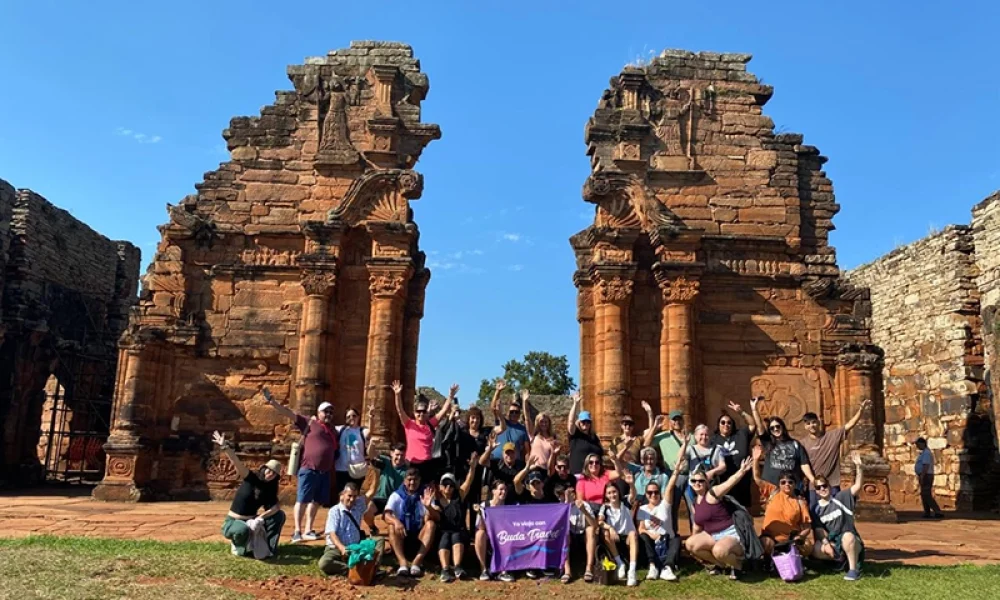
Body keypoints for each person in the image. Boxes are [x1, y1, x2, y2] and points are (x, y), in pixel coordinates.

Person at [263, 388, 337, 543]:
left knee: (316, 502)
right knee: (302, 500)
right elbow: (288, 412)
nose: (328, 414)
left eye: (331, 412)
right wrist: (273, 402)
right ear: (318, 413)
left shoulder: (333, 430)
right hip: (309, 469)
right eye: (326, 412)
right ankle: (297, 531)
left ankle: (308, 529)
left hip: (324, 472)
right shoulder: (309, 422)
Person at [214, 431, 286, 559]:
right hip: (234, 521)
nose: (270, 474)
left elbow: (275, 508)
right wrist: (225, 447)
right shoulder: (251, 478)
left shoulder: (269, 489)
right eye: (269, 470)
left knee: (279, 516)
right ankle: (239, 546)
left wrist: (259, 518)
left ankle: (269, 548)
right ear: (264, 469)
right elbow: (237, 463)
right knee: (242, 530)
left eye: (274, 473)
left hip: (251, 520)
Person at [684, 455, 755, 580]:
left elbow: (729, 483)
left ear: (706, 482)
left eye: (701, 481)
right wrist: (693, 542)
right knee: (690, 544)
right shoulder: (695, 501)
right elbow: (697, 525)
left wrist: (742, 470)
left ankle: (738, 565)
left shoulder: (713, 493)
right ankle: (720, 564)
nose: (697, 483)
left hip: (730, 533)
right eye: (694, 481)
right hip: (712, 535)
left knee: (719, 551)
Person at [802, 399, 871, 508]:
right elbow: (802, 464)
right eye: (808, 423)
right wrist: (812, 480)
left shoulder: (832, 437)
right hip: (814, 486)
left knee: (835, 513)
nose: (812, 425)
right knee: (814, 517)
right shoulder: (803, 443)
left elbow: (850, 425)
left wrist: (861, 410)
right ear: (805, 426)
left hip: (832, 484)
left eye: (814, 422)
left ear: (818, 422)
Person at [812, 454, 866, 581]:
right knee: (816, 548)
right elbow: (819, 530)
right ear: (816, 491)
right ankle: (841, 560)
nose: (822, 489)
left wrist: (860, 467)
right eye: (818, 487)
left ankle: (853, 570)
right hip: (835, 541)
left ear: (829, 486)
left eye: (824, 485)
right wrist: (826, 544)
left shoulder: (841, 497)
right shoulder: (816, 509)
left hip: (851, 540)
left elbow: (858, 486)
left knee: (847, 536)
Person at [753, 445, 814, 558]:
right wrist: (756, 460)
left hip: (790, 539)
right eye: (783, 482)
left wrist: (800, 537)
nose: (787, 484)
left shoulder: (800, 502)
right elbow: (757, 478)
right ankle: (770, 559)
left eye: (790, 482)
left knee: (808, 546)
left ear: (795, 484)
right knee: (766, 543)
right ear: (779, 484)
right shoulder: (773, 492)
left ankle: (789, 556)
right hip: (770, 537)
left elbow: (807, 527)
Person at [392, 380, 454, 485]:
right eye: (418, 411)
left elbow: (443, 411)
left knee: (426, 490)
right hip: (411, 463)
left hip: (427, 464)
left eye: (423, 411)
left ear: (426, 413)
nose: (421, 414)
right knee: (410, 489)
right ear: (414, 413)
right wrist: (397, 394)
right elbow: (400, 410)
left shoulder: (430, 424)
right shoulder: (409, 424)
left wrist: (450, 396)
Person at [319, 483, 384, 576]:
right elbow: (332, 534)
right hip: (337, 549)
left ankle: (372, 568)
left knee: (379, 540)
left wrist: (376, 472)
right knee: (324, 563)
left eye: (355, 496)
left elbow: (372, 491)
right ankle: (357, 570)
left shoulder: (359, 505)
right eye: (349, 496)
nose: (352, 499)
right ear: (342, 495)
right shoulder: (334, 511)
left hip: (356, 547)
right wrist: (342, 548)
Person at [384, 468, 438, 577]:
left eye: (415, 480)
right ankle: (402, 563)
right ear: (404, 481)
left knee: (431, 525)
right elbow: (386, 515)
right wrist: (396, 522)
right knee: (391, 526)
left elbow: (437, 517)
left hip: (420, 537)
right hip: (402, 536)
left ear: (420, 480)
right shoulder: (396, 495)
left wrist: (428, 507)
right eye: (409, 480)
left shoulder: (426, 494)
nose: (412, 483)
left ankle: (417, 562)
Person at [750, 397, 815, 487]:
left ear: (782, 427)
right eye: (772, 428)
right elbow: (759, 426)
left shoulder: (795, 444)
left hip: (790, 486)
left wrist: (812, 479)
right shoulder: (768, 442)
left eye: (777, 426)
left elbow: (804, 464)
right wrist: (754, 409)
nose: (775, 429)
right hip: (771, 486)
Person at [645, 409, 690, 533]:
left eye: (679, 419)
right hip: (673, 475)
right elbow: (646, 444)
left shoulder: (690, 436)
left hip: (690, 475)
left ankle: (695, 534)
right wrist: (655, 427)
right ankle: (673, 534)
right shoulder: (663, 436)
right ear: (670, 422)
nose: (676, 422)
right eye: (674, 419)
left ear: (683, 420)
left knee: (693, 508)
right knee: (672, 506)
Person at [433, 461, 478, 582]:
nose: (448, 487)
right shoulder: (436, 499)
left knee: (456, 535)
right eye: (445, 484)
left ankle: (458, 567)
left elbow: (468, 481)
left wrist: (472, 468)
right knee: (446, 536)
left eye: (451, 484)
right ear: (440, 486)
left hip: (459, 532)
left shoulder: (460, 496)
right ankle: (445, 569)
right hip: (443, 532)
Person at [711, 400, 757, 509]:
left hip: (742, 479)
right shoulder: (713, 440)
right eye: (723, 422)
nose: (726, 425)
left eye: (729, 422)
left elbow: (752, 424)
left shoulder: (741, 434)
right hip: (723, 480)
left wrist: (741, 412)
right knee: (725, 509)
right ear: (718, 425)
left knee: (743, 509)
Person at [637, 479, 681, 582]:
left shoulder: (665, 504)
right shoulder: (642, 509)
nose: (653, 495)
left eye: (656, 492)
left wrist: (677, 471)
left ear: (660, 493)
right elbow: (641, 529)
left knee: (676, 539)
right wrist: (653, 535)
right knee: (643, 536)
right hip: (651, 542)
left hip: (667, 540)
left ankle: (667, 568)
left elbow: (670, 487)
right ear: (646, 494)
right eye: (650, 492)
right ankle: (652, 567)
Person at [597, 481, 639, 587]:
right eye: (609, 493)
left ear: (618, 492)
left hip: (628, 536)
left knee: (633, 534)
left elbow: (633, 494)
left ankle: (632, 572)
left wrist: (631, 484)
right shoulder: (605, 507)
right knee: (605, 533)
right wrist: (610, 528)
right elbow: (600, 522)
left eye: (614, 492)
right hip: (615, 538)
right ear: (606, 495)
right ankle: (620, 563)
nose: (612, 495)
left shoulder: (625, 501)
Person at [556, 484, 597, 583]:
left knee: (590, 530)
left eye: (572, 493)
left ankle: (589, 568)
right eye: (567, 494)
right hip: (570, 535)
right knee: (564, 532)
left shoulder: (583, 504)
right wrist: (567, 504)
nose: (571, 496)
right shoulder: (561, 506)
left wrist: (584, 511)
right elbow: (558, 524)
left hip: (583, 534)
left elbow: (594, 525)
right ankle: (567, 571)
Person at [363, 442, 407, 534]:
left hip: (394, 501)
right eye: (397, 454)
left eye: (402, 455)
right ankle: (373, 528)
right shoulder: (386, 462)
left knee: (390, 519)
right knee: (367, 513)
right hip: (380, 497)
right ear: (391, 453)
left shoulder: (406, 470)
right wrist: (371, 444)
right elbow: (371, 454)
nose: (399, 457)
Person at [475, 479, 513, 582]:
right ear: (493, 491)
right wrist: (480, 513)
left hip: (503, 536)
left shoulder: (508, 507)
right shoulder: (484, 506)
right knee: (479, 534)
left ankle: (504, 571)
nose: (503, 492)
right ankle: (483, 570)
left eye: (505, 490)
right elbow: (480, 527)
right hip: (488, 535)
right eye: (501, 489)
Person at [333, 405, 373, 499]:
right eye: (348, 416)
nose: (351, 418)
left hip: (357, 468)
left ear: (358, 417)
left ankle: (353, 513)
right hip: (341, 468)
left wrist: (371, 417)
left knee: (354, 496)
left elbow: (371, 431)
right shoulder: (341, 429)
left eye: (354, 415)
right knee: (342, 495)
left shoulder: (362, 431)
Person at [463, 406, 491, 526]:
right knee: (463, 501)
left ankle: (474, 530)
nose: (475, 421)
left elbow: (500, 428)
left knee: (476, 501)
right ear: (468, 419)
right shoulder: (463, 432)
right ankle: (463, 530)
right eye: (473, 418)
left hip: (479, 471)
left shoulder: (484, 433)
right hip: (464, 471)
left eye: (478, 418)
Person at [490, 381, 530, 462]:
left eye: (516, 412)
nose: (514, 414)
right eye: (511, 412)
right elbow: (494, 408)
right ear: (508, 413)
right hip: (496, 461)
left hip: (514, 464)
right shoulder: (501, 422)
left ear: (519, 414)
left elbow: (527, 451)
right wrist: (498, 391)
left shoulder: (523, 430)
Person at [567, 392, 604, 474]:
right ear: (579, 422)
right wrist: (575, 404)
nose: (585, 424)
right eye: (583, 422)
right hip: (579, 473)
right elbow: (570, 422)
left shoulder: (594, 437)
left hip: (594, 474)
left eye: (588, 422)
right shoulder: (575, 435)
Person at [609, 401, 653, 466]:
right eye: (625, 424)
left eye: (630, 424)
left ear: (633, 426)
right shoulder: (616, 440)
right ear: (621, 426)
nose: (628, 426)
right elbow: (613, 458)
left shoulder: (638, 438)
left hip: (636, 469)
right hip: (622, 469)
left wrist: (650, 412)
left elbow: (651, 430)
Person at [526, 396, 557, 477]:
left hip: (546, 471)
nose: (544, 424)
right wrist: (524, 401)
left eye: (546, 422)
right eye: (541, 422)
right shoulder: (534, 435)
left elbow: (554, 458)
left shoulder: (552, 438)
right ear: (538, 423)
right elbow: (527, 419)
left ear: (549, 423)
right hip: (534, 469)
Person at [914, 437, 944, 519]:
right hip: (925, 475)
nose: (917, 446)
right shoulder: (924, 453)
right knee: (924, 494)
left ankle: (937, 511)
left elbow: (926, 465)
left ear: (922, 444)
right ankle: (927, 512)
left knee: (926, 494)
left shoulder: (926, 453)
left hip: (926, 475)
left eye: (918, 444)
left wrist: (922, 476)